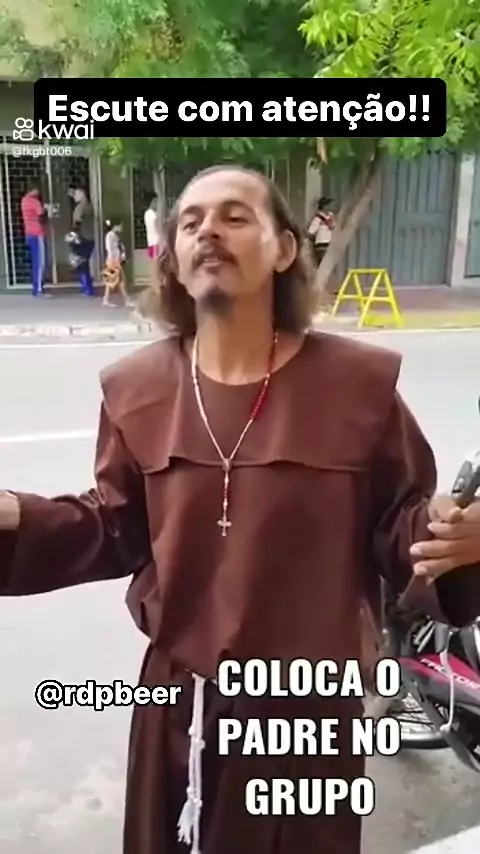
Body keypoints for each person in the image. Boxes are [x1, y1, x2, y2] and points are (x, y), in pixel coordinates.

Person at [2, 164, 480, 854]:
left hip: (304, 721)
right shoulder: (137, 389)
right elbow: (115, 526)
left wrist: (455, 540)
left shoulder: (357, 387)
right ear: (172, 256)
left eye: (235, 216)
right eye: (191, 222)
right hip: (177, 708)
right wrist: (14, 516)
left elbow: (400, 527)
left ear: (284, 248)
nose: (208, 232)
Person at [20, 185, 49, 297]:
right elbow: (42, 219)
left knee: (35, 261)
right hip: (38, 234)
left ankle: (36, 287)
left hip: (29, 233)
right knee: (40, 262)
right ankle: (38, 289)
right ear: (34, 190)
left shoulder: (24, 200)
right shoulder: (35, 202)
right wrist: (46, 211)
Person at [101, 218, 135, 308]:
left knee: (114, 280)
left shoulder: (114, 236)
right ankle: (126, 300)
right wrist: (114, 260)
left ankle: (106, 300)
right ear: (115, 226)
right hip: (113, 261)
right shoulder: (110, 236)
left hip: (114, 260)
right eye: (120, 225)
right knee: (118, 281)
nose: (121, 227)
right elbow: (110, 249)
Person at [72, 187, 95, 296]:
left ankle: (87, 288)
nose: (74, 197)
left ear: (82, 195)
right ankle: (87, 286)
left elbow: (78, 222)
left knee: (81, 263)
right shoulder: (88, 206)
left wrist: (74, 235)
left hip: (83, 237)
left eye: (76, 194)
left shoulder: (82, 207)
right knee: (83, 263)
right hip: (88, 237)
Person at [307, 195, 336, 266]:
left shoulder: (331, 218)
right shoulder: (318, 219)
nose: (330, 207)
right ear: (324, 206)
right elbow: (310, 232)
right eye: (328, 204)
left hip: (329, 244)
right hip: (321, 245)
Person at [144, 194, 161, 268]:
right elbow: (158, 226)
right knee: (157, 264)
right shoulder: (153, 214)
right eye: (156, 202)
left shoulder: (147, 214)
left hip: (150, 242)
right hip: (156, 242)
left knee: (153, 263)